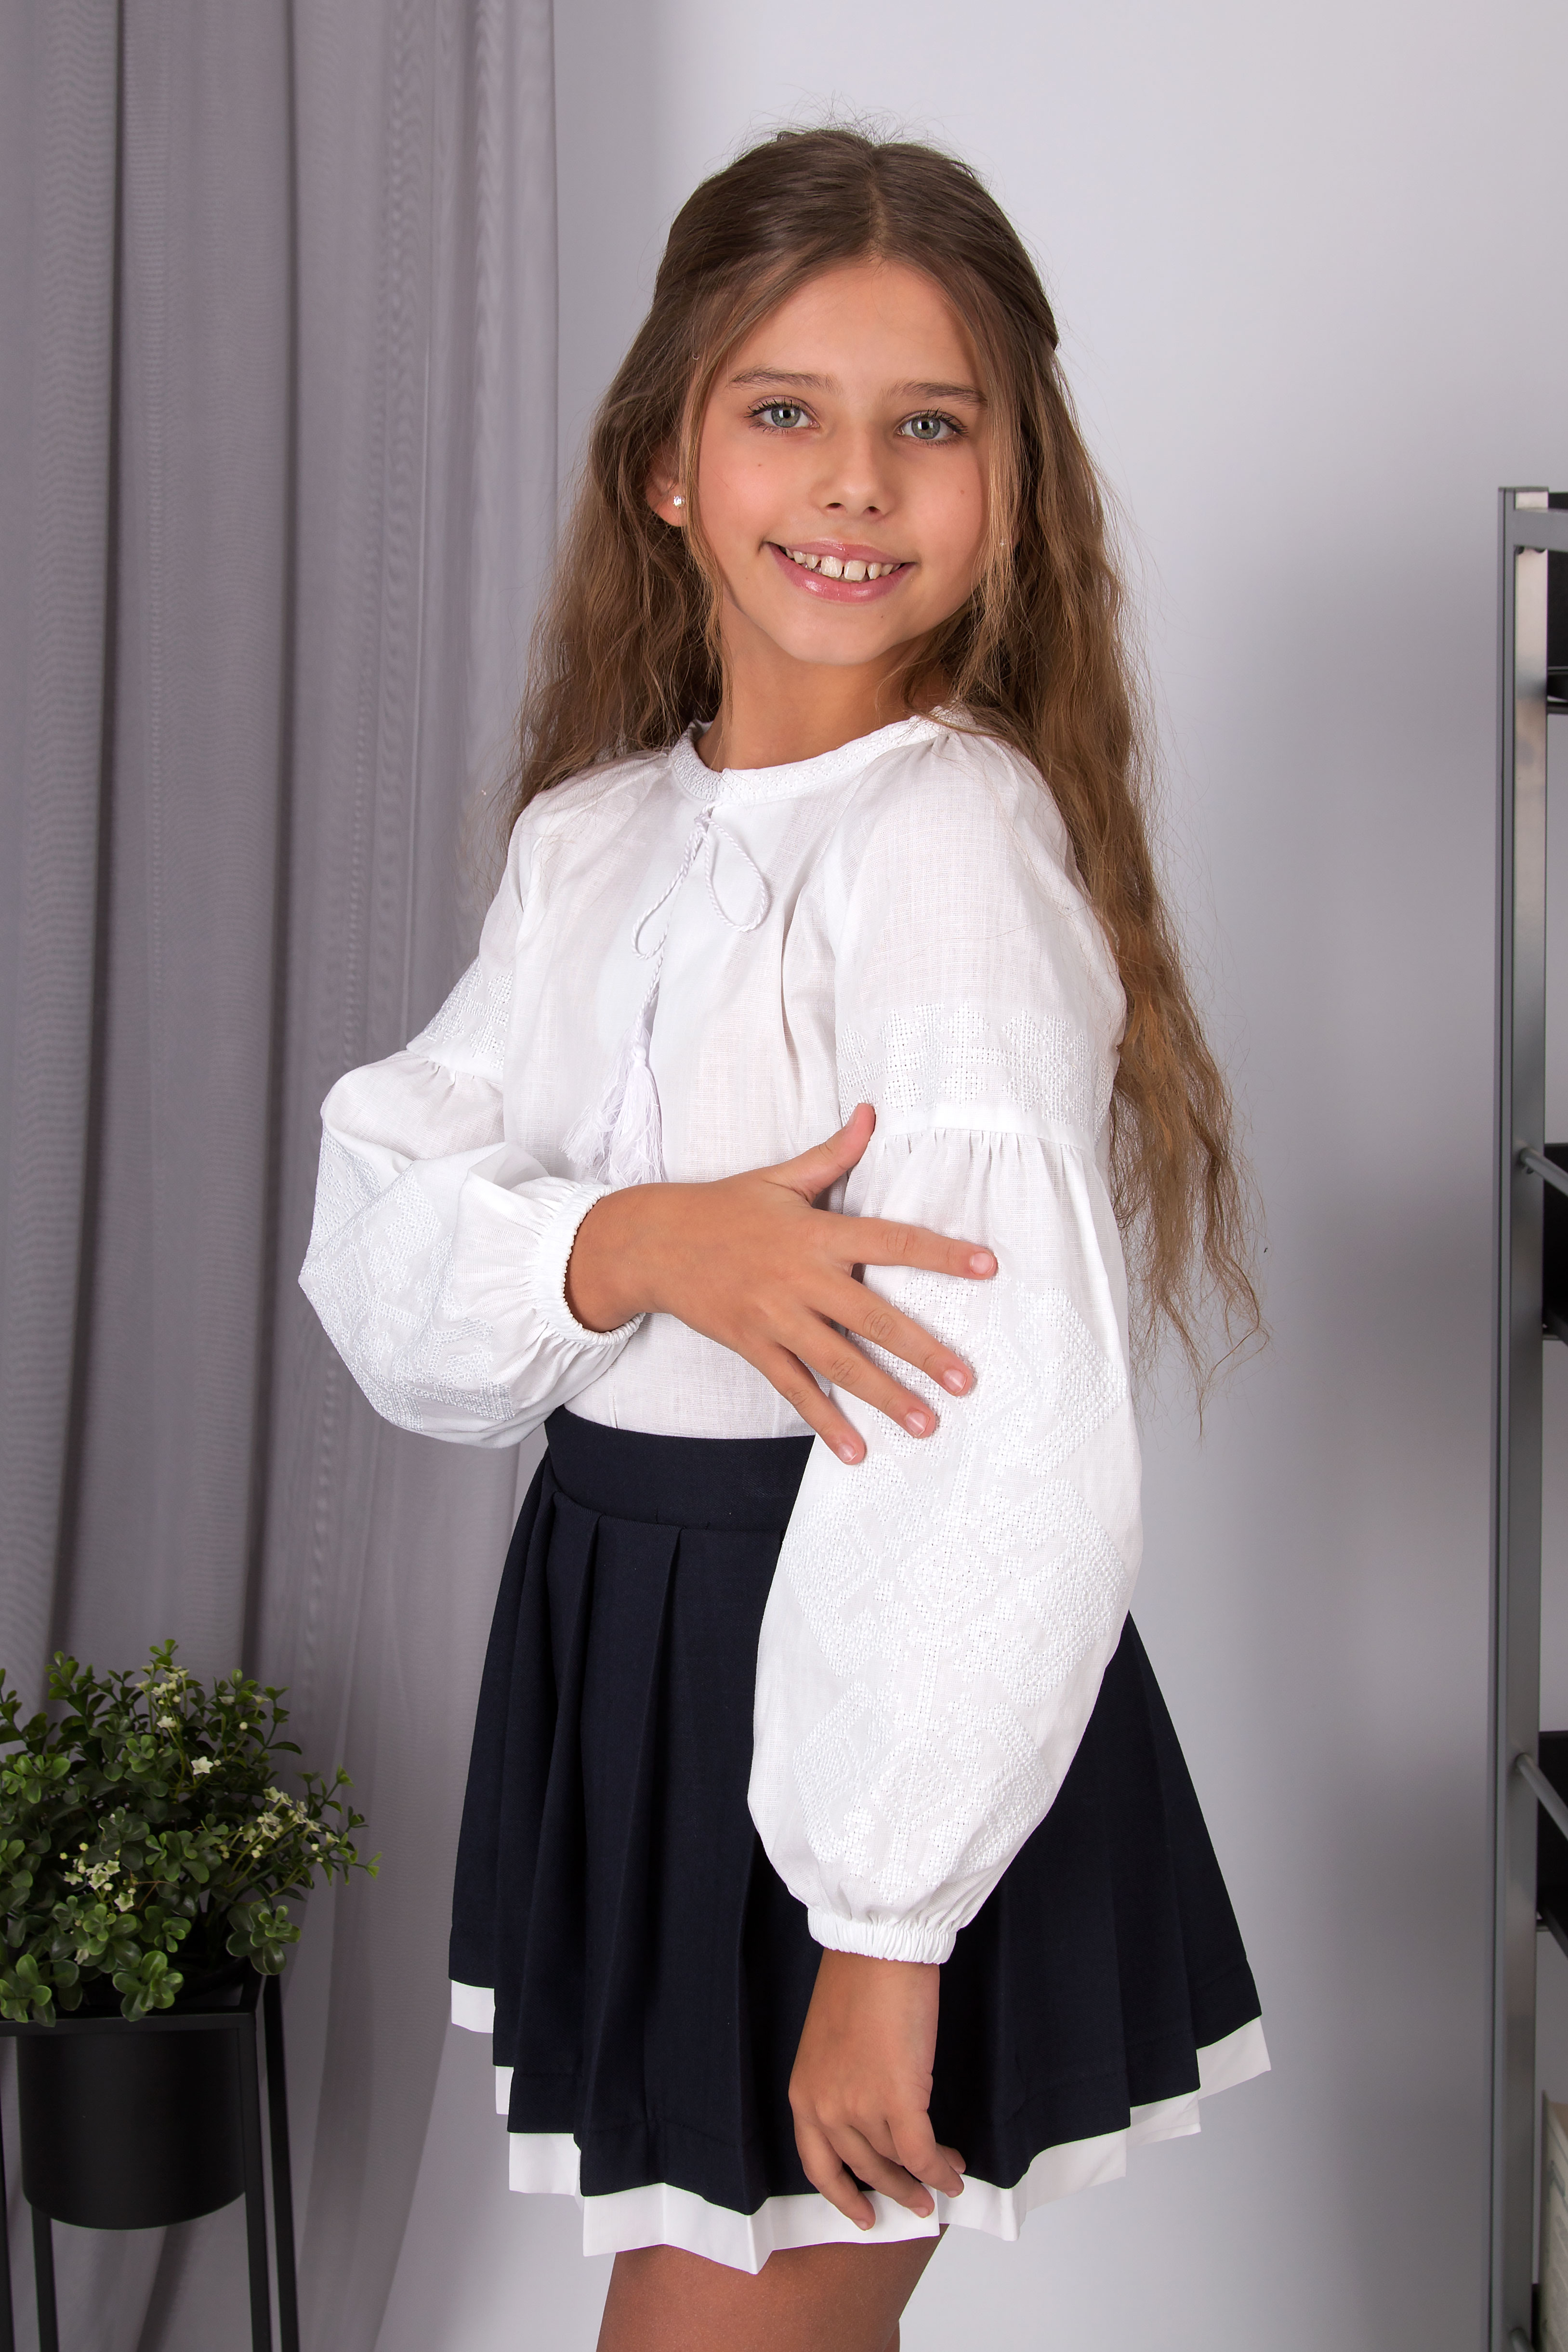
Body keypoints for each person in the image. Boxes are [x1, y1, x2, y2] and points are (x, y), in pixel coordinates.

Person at [300, 126, 1267, 2352]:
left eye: (928, 425)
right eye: (783, 412)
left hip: (852, 1678)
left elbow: (985, 1438)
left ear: (1011, 487)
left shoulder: (947, 845)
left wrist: (881, 1932)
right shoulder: (592, 841)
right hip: (642, 1658)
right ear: (665, 464)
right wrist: (631, 1246)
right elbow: (385, 1228)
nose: (852, 481)